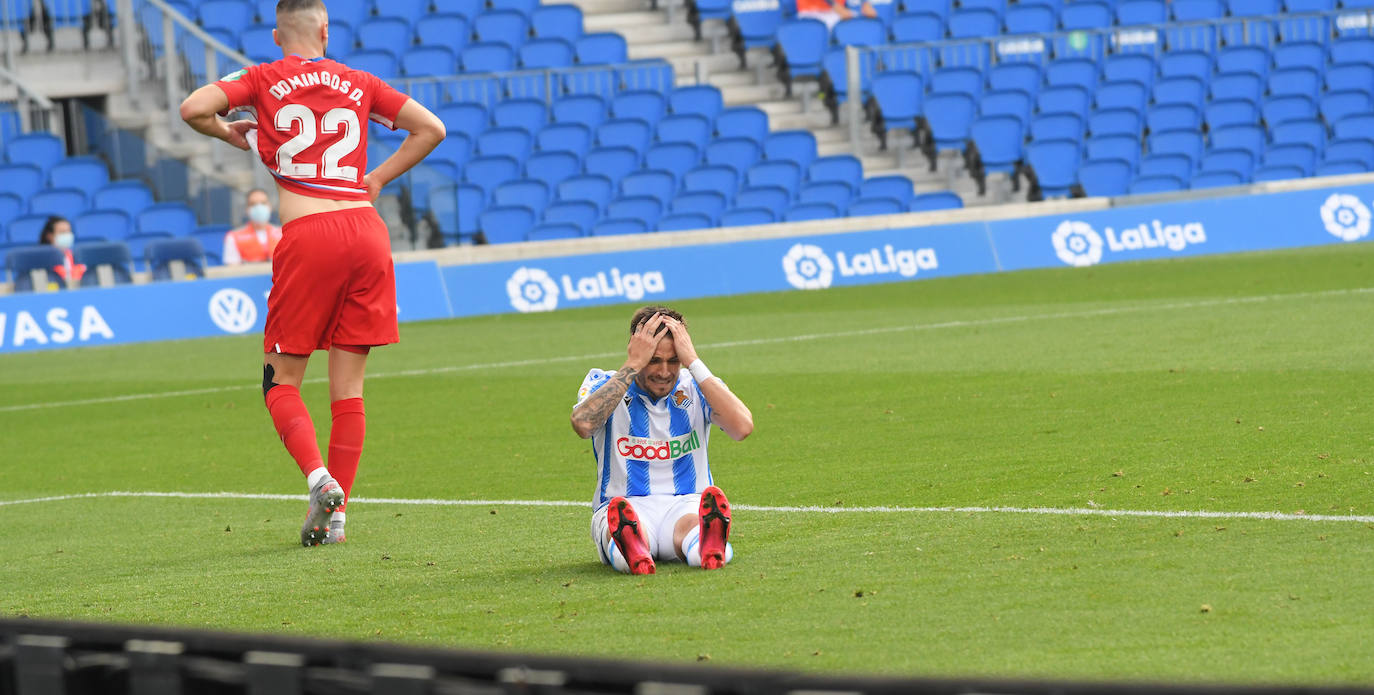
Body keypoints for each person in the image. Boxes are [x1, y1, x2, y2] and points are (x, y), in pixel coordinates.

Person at [178, 0, 445, 547]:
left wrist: (228, 133)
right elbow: (431, 128)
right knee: (349, 389)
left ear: (278, 36)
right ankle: (338, 518)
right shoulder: (360, 81)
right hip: (366, 231)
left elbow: (193, 108)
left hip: (310, 235)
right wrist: (377, 179)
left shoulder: (262, 77)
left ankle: (319, 478)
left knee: (280, 381)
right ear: (326, 30)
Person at [570, 306, 754, 575]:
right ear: (635, 351)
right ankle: (633, 545)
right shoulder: (605, 383)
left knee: (692, 528)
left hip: (687, 502)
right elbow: (583, 424)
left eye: (674, 360)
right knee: (620, 530)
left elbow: (742, 427)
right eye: (654, 360)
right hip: (622, 505)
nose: (664, 371)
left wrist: (693, 361)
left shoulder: (697, 385)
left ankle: (707, 545)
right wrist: (633, 365)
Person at [222, 188, 283, 265]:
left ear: (270, 207)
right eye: (253, 204)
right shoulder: (233, 237)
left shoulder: (284, 234)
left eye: (263, 203)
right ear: (247, 209)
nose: (259, 208)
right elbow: (232, 268)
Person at [38, 215, 86, 286]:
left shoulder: (75, 256)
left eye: (69, 231)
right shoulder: (41, 260)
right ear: (49, 236)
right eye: (62, 232)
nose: (67, 235)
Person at [796, 0, 876, 31]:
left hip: (834, 12)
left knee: (864, 23)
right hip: (810, 12)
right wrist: (836, 6)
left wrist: (865, 3)